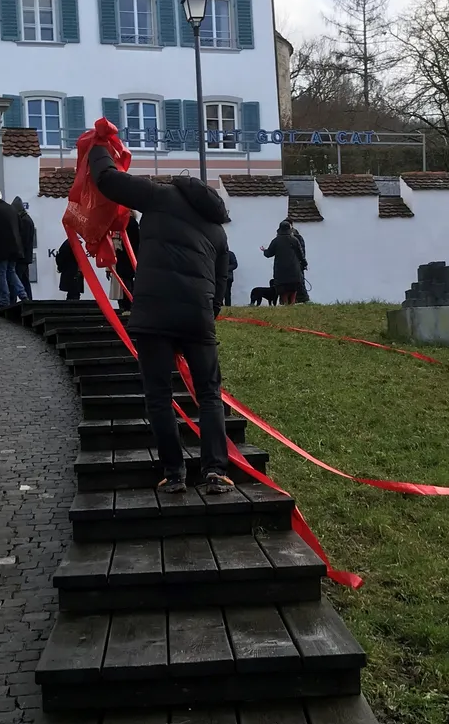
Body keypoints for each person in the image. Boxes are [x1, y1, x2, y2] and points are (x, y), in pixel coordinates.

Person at [87, 143, 233, 495]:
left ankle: (174, 473)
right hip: (198, 318)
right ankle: (215, 471)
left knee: (159, 395)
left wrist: (97, 147)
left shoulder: (159, 196)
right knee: (209, 394)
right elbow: (222, 281)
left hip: (154, 315)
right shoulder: (218, 230)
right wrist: (208, 313)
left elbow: (108, 180)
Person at [0, 188, 28, 307]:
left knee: (0, 274)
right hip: (14, 247)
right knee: (11, 272)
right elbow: (20, 227)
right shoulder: (12, 209)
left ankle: (4, 301)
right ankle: (23, 294)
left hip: (0, 248)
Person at [263, 220, 305, 306]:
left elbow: (269, 254)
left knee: (283, 289)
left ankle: (285, 304)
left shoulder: (276, 241)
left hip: (281, 269)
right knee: (293, 288)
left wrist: (264, 251)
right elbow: (300, 254)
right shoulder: (294, 240)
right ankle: (292, 304)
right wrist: (304, 264)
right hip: (294, 268)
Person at [12, 197, 36, 300]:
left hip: (22, 257)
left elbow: (23, 240)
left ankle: (16, 300)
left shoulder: (24, 221)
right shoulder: (26, 219)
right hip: (25, 256)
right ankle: (29, 300)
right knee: (24, 280)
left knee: (17, 279)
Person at [56, 237, 84, 302]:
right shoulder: (71, 244)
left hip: (71, 273)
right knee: (74, 295)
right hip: (73, 273)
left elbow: (60, 258)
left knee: (72, 294)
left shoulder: (68, 244)